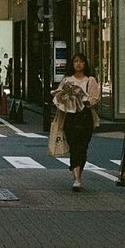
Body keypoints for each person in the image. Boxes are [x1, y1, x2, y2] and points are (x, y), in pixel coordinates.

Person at [52, 52, 101, 191]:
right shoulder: (67, 80)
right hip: (70, 116)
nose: (78, 64)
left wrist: (85, 100)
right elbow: (59, 96)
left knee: (82, 147)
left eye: (81, 61)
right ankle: (76, 178)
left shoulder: (90, 80)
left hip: (85, 116)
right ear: (72, 64)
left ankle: (78, 174)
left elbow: (95, 97)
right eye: (76, 61)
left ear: (85, 64)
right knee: (74, 146)